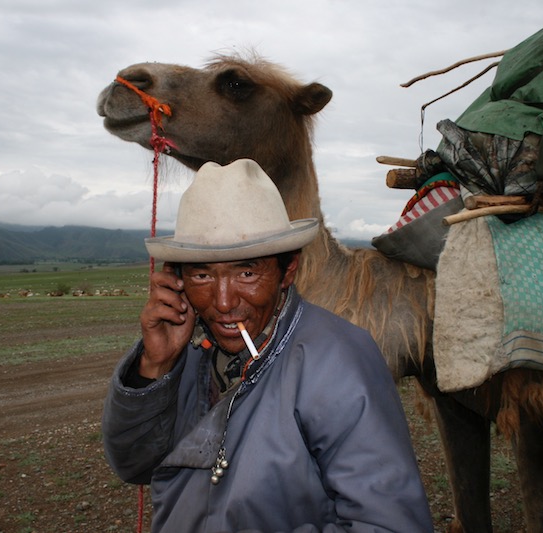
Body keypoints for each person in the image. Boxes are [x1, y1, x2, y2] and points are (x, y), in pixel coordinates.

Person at [102, 158, 433, 532]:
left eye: (246, 272)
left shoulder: (338, 360)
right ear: (176, 279)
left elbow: (390, 524)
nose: (223, 301)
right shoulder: (188, 352)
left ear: (286, 271)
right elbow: (134, 465)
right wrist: (155, 368)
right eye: (202, 274)